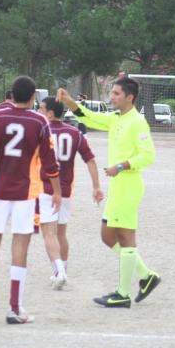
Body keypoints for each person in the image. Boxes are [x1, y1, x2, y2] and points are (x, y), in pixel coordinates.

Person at [57, 77, 160, 308]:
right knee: (107, 235)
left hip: (129, 185)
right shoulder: (115, 118)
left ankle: (123, 294)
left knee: (126, 238)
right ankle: (146, 276)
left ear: (129, 97)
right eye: (112, 92)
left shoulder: (138, 122)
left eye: (116, 93)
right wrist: (69, 101)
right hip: (118, 186)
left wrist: (121, 166)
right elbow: (89, 117)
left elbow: (148, 155)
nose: (111, 97)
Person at [0, 76, 61, 324]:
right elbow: (50, 162)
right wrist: (56, 191)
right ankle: (14, 308)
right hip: (25, 193)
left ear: (11, 95)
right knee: (20, 246)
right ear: (33, 97)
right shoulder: (40, 122)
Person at [37, 97, 103, 290]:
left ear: (50, 113)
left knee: (48, 233)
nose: (39, 112)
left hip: (46, 188)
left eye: (41, 109)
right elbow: (90, 160)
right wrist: (96, 186)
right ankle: (62, 270)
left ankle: (59, 271)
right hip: (65, 190)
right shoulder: (75, 133)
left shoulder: (41, 131)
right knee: (61, 233)